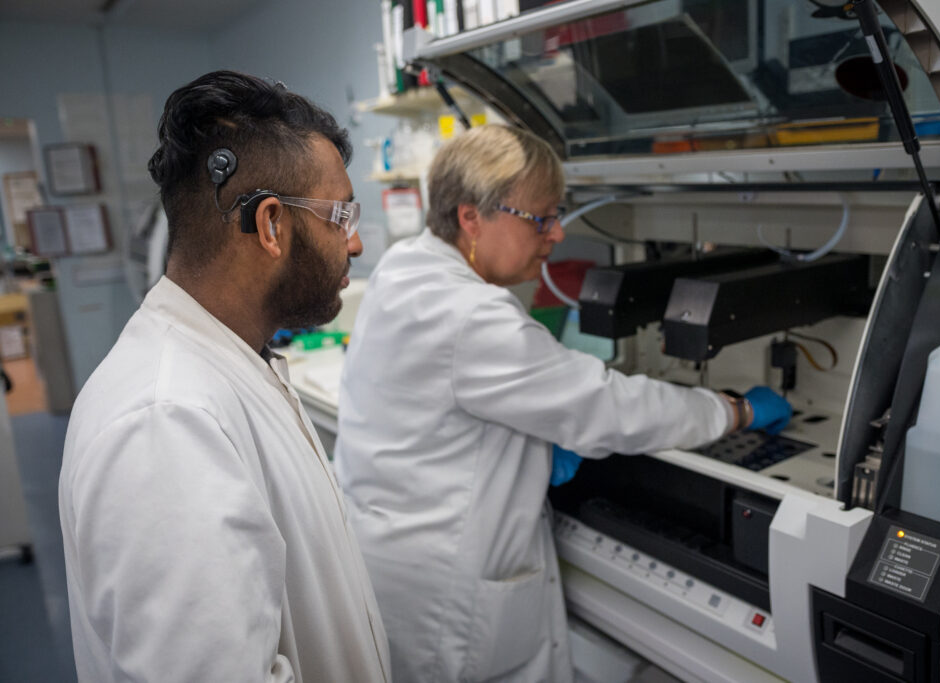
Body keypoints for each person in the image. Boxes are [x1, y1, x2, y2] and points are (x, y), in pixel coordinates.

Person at [334, 124, 791, 682]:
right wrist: (734, 410)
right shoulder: (471, 314)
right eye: (540, 218)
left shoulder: (404, 266)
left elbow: (451, 403)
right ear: (471, 217)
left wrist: (528, 449)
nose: (555, 235)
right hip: (449, 584)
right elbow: (610, 407)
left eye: (558, 216)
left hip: (393, 556)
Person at [58, 71, 390, 683]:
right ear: (269, 225)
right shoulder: (167, 421)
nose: (358, 241)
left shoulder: (231, 362)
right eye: (341, 215)